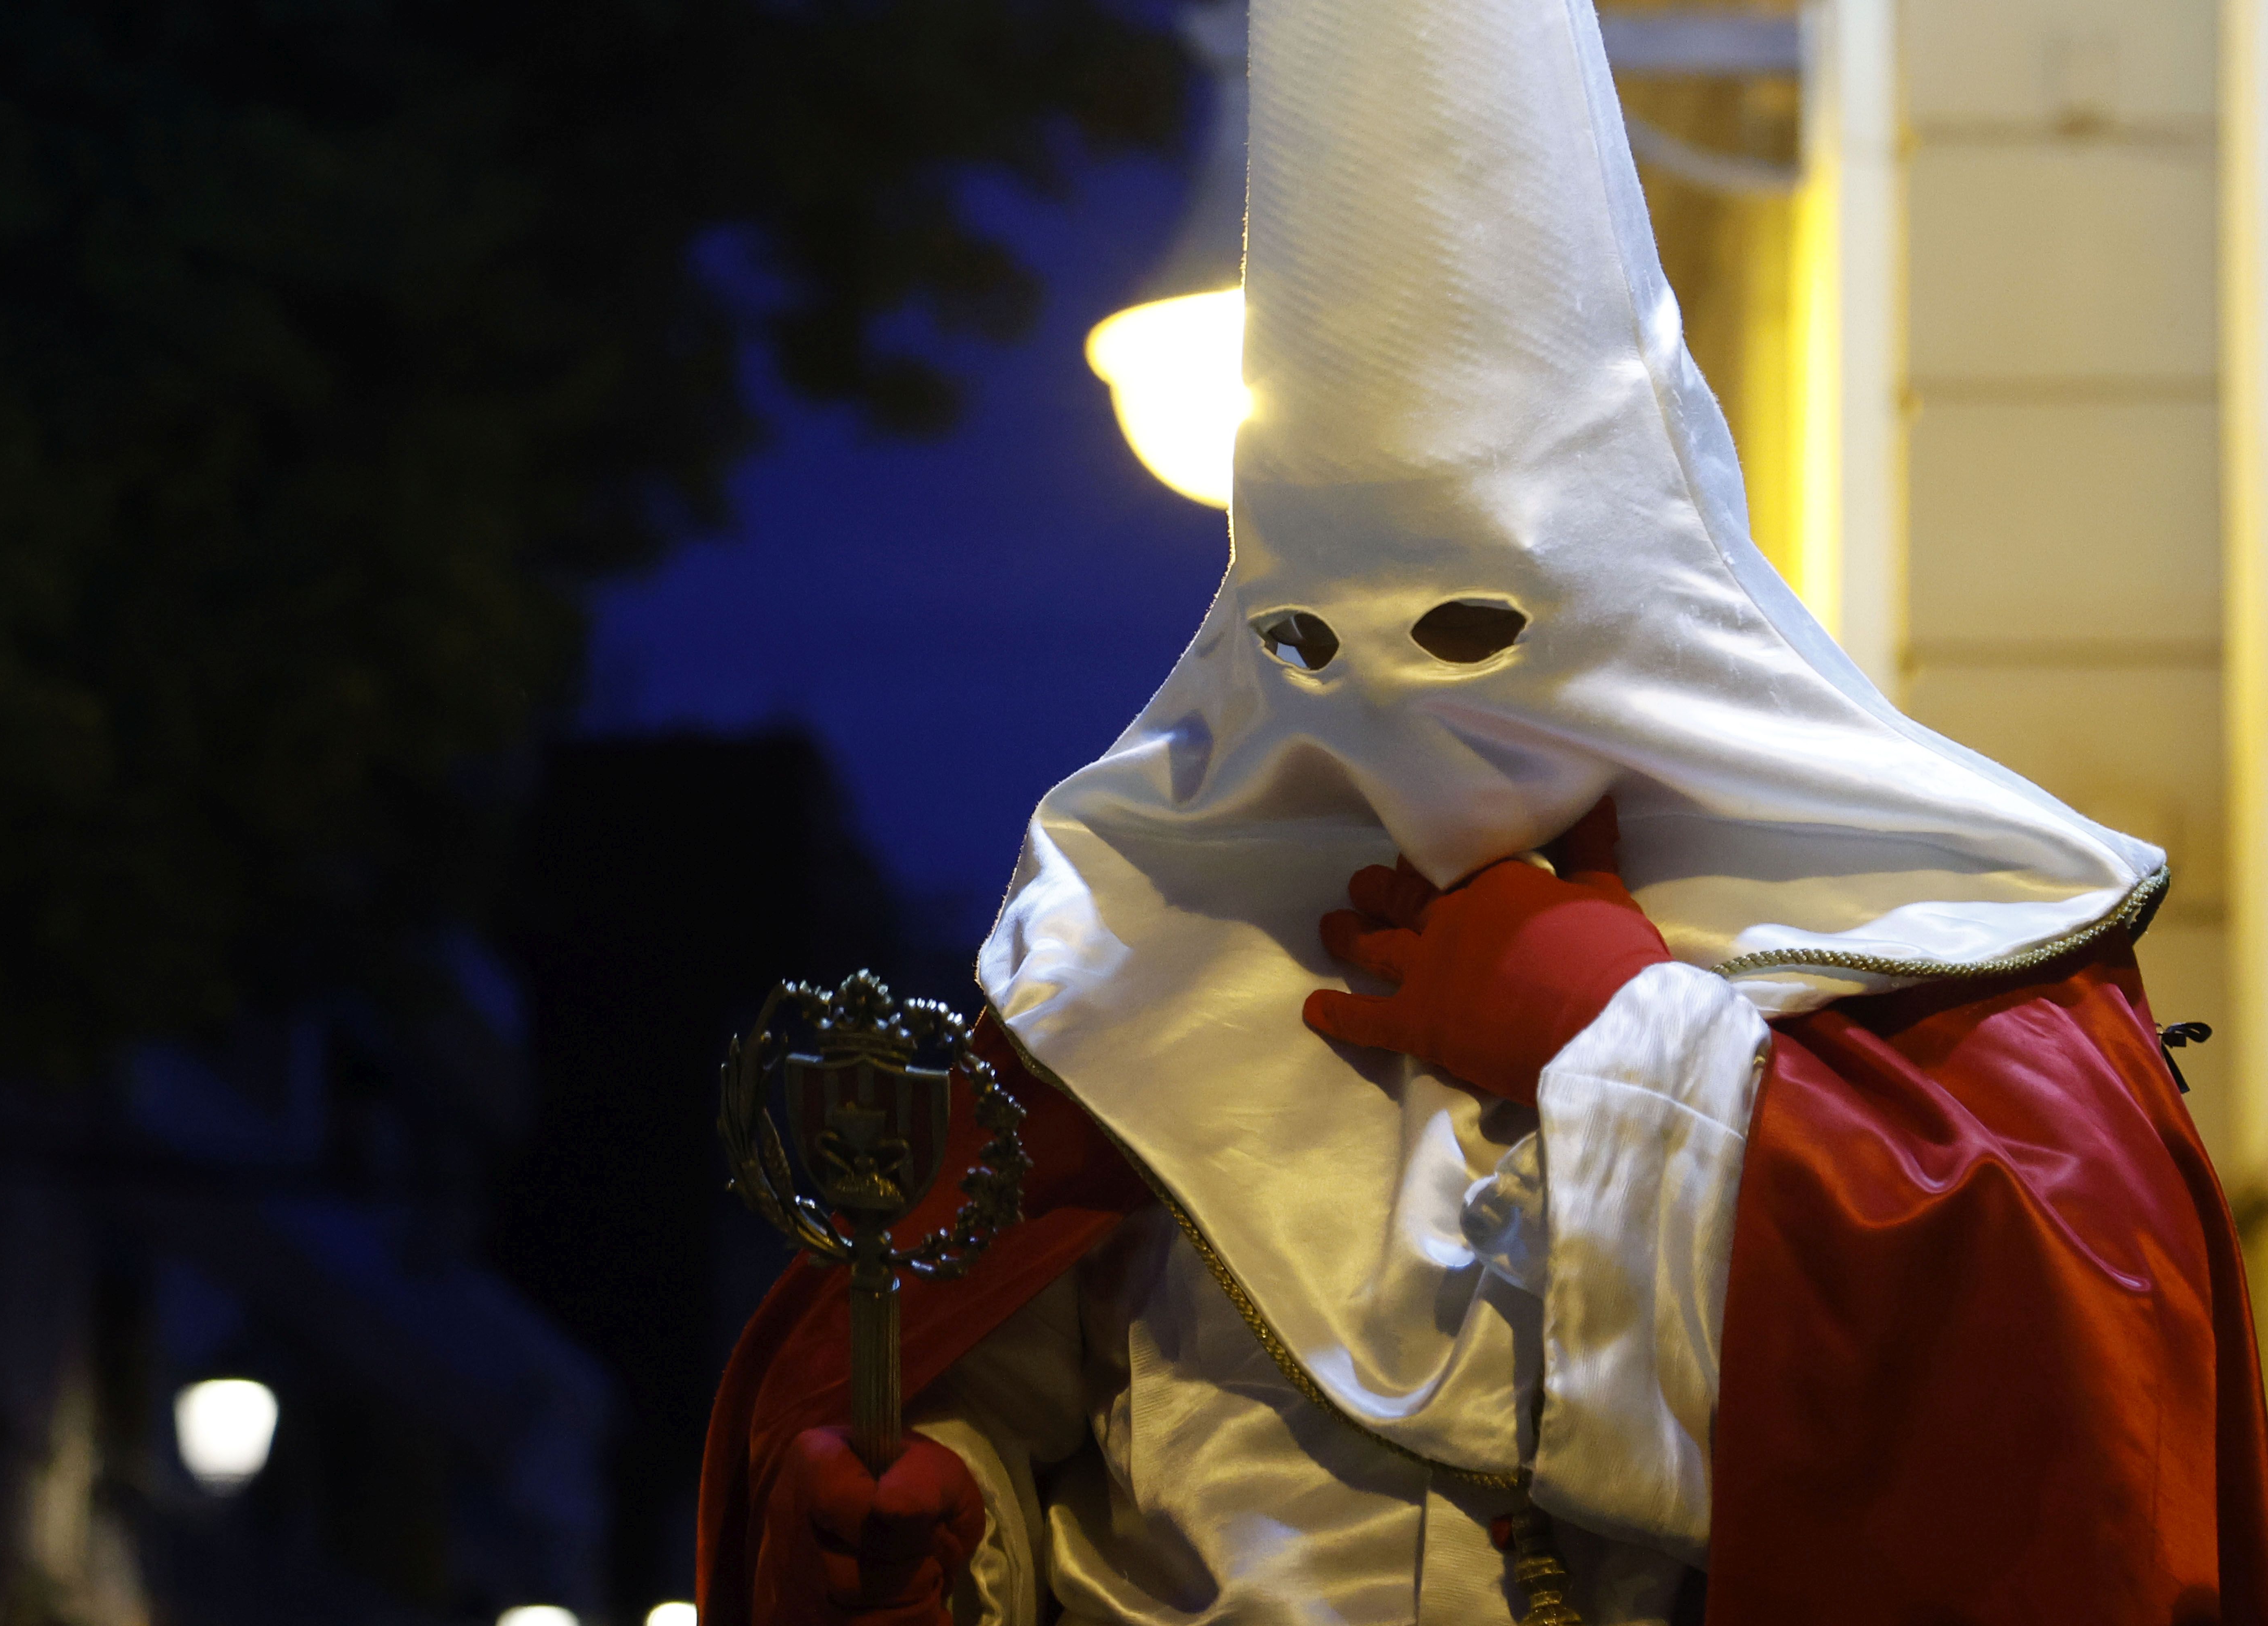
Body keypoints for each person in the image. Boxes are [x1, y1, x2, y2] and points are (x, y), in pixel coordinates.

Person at [696, 0, 2268, 1619]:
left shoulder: (1927, 963)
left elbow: (2060, 1435)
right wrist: (944, 1530)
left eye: (1470, 627)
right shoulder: (1133, 969)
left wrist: (1638, 1050)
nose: (1399, 734)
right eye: (1306, 645)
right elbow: (1011, 1419)